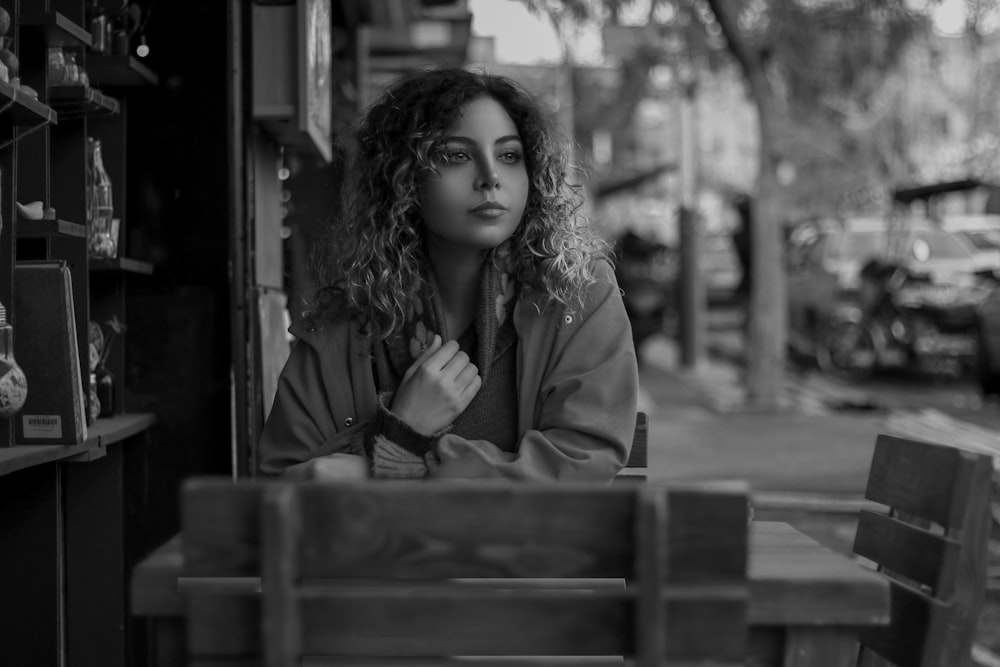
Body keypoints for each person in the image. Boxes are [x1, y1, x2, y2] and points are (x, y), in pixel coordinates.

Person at [258, 67, 638, 482]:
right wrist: (405, 424)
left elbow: (580, 461)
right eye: (456, 155)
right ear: (402, 177)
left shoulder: (575, 292)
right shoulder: (343, 320)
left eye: (509, 155)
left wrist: (399, 448)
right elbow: (284, 485)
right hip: (379, 548)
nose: (491, 178)